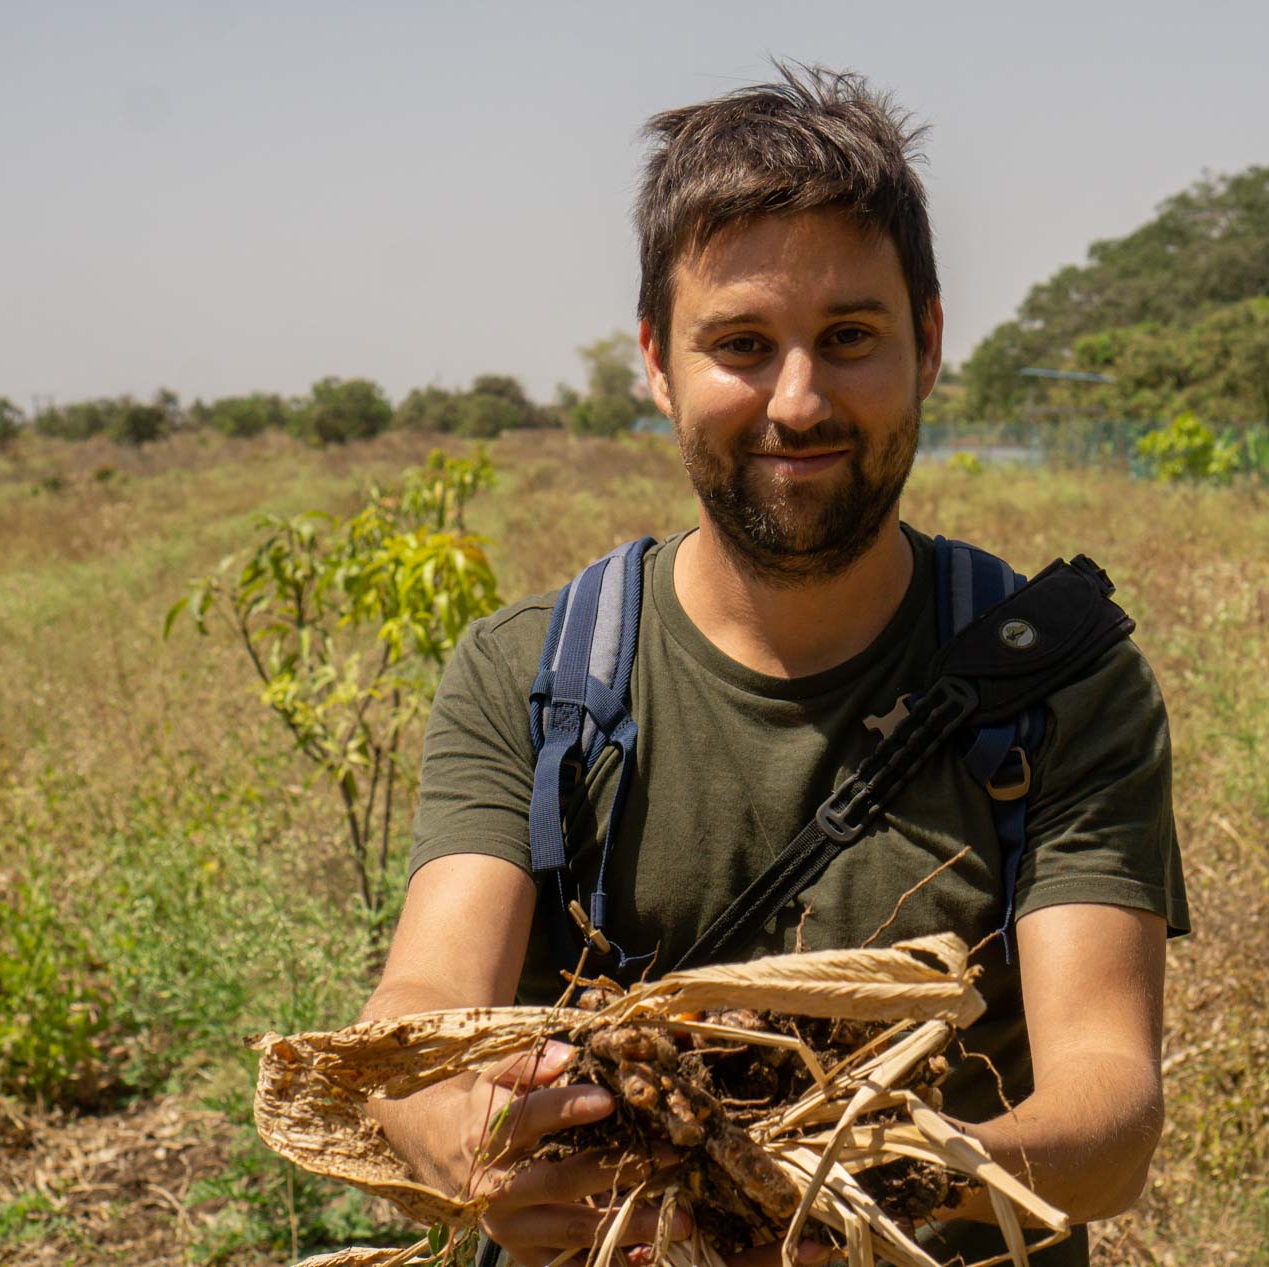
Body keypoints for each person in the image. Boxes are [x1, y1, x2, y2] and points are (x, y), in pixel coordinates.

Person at [358, 63, 1189, 1267]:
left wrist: (856, 1182)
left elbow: (1110, 1116)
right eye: (741, 344)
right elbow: (416, 1009)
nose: (797, 400)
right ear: (657, 361)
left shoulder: (1058, 683)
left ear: (929, 343)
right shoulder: (534, 673)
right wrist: (442, 1121)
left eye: (848, 337)